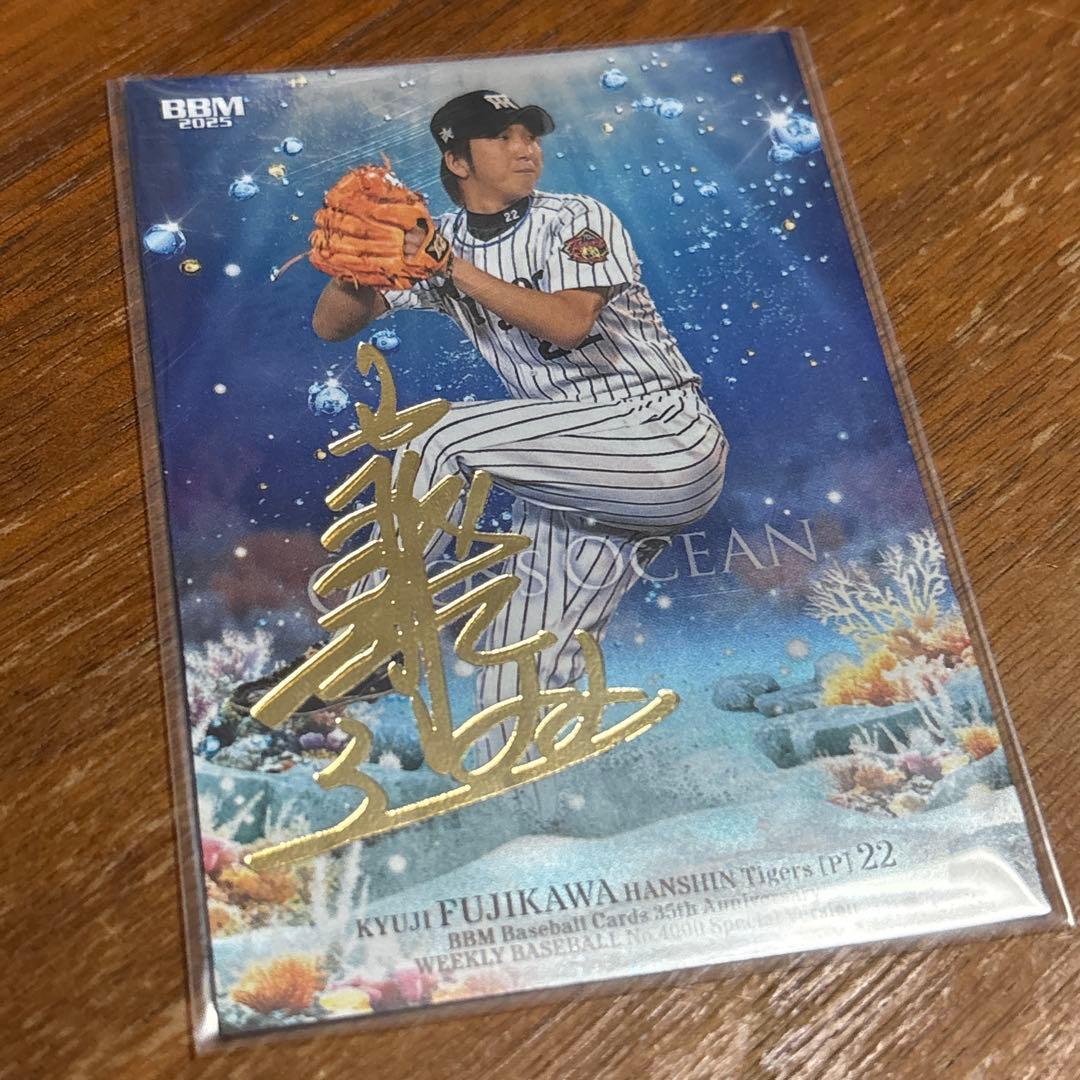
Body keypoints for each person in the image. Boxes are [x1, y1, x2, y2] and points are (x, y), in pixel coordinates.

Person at [230, 89, 728, 749]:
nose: (526, 148)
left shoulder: (576, 217)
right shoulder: (440, 239)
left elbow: (569, 324)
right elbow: (331, 326)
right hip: (570, 477)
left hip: (661, 438)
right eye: (503, 136)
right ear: (457, 160)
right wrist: (357, 268)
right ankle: (542, 800)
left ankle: (373, 644)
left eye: (530, 135)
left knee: (440, 436)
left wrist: (448, 267)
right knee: (516, 680)